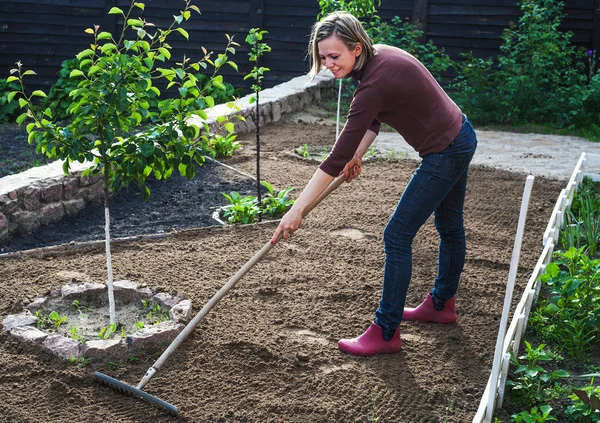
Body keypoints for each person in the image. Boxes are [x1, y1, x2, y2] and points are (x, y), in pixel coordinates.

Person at [270, 11, 478, 357]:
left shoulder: (373, 83)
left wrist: (297, 210)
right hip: (460, 135)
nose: (328, 64)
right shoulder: (377, 59)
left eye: (334, 56)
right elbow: (374, 120)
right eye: (323, 57)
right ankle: (441, 305)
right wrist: (359, 155)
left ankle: (385, 332)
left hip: (446, 150)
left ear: (356, 48)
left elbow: (335, 158)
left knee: (397, 235)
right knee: (449, 226)